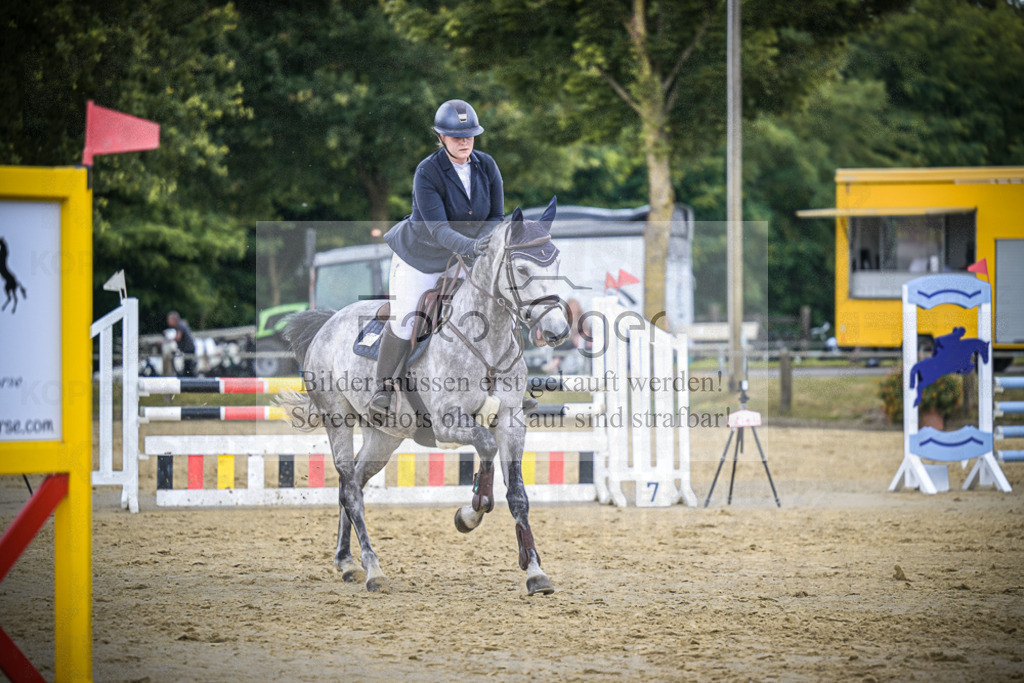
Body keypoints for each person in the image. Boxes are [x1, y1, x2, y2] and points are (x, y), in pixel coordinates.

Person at [369, 99, 505, 416]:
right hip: (421, 256)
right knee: (406, 319)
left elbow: (497, 216)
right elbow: (438, 229)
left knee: (494, 306)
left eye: (469, 135)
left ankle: (504, 384)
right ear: (440, 137)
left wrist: (481, 248)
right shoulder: (427, 172)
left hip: (468, 256)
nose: (463, 142)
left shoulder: (487, 166)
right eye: (456, 136)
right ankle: (383, 387)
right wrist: (472, 248)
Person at [166, 310, 197, 377]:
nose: (168, 321)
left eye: (169, 319)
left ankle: (191, 382)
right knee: (186, 366)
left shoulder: (180, 325)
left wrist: (168, 340)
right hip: (186, 349)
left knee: (188, 367)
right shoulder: (179, 326)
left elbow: (178, 337)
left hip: (188, 349)